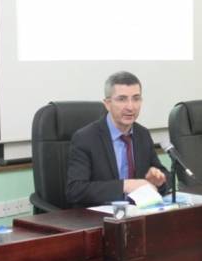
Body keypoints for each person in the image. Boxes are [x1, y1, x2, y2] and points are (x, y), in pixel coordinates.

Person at [66, 71, 168, 208]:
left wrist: (159, 181)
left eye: (136, 99)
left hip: (139, 212)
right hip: (100, 216)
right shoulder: (85, 138)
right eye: (122, 99)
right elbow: (75, 190)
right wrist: (125, 185)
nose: (130, 107)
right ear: (107, 104)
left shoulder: (142, 134)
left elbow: (164, 176)